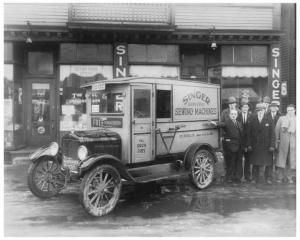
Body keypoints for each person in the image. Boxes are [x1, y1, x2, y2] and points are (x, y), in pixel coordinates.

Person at [211, 109, 243, 183]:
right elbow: (221, 124)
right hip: (231, 146)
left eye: (235, 114)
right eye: (232, 114)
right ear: (229, 115)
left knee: (238, 162)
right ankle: (230, 177)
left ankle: (237, 177)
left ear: (237, 115)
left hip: (239, 146)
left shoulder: (238, 123)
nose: (233, 116)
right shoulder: (227, 122)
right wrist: (215, 123)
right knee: (231, 162)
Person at [247, 103, 275, 184]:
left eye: (262, 110)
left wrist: (272, 145)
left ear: (264, 110)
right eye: (258, 110)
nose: (260, 112)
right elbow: (249, 133)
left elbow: (273, 134)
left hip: (267, 146)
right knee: (255, 162)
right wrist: (249, 144)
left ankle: (268, 178)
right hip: (255, 145)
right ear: (256, 111)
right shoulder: (252, 119)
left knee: (268, 162)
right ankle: (254, 178)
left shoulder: (269, 119)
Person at [275, 104, 296, 184]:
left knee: (292, 161)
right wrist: (276, 142)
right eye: (288, 110)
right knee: (281, 160)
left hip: (294, 145)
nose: (289, 112)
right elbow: (276, 131)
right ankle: (280, 177)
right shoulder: (281, 119)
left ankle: (289, 177)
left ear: (294, 110)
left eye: (291, 110)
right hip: (283, 144)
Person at [237, 98, 253, 182]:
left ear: (248, 108)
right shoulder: (237, 116)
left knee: (248, 160)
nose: (244, 108)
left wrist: (249, 144)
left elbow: (252, 131)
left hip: (248, 142)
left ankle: (247, 176)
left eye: (246, 107)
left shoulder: (252, 116)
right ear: (241, 108)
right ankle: (239, 176)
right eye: (243, 107)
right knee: (239, 160)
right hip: (239, 142)